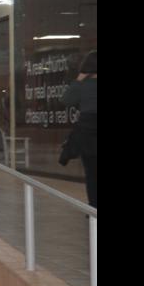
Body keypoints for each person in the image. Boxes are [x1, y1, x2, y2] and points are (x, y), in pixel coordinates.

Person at [60, 51, 97, 207]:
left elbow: (66, 100)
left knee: (91, 173)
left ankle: (94, 208)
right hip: (89, 129)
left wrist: (79, 79)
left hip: (87, 131)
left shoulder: (83, 86)